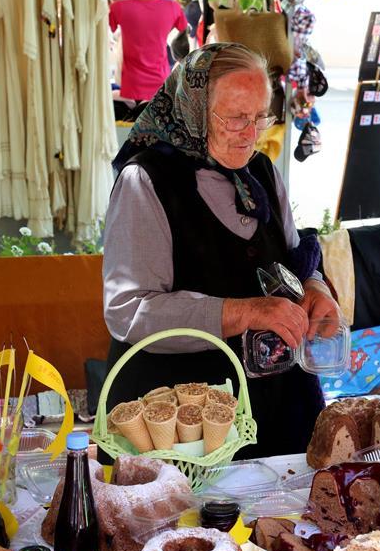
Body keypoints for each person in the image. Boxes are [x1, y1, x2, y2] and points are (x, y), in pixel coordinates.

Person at [103, 43, 341, 458]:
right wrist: (245, 312)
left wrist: (314, 289)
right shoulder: (148, 181)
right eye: (234, 119)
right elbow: (129, 311)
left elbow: (295, 259)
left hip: (276, 412)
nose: (250, 134)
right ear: (193, 109)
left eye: (260, 117)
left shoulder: (261, 172)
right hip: (180, 428)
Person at [109, 0, 188, 102]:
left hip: (132, 83)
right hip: (157, 82)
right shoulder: (173, 7)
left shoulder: (118, 7)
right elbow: (183, 33)